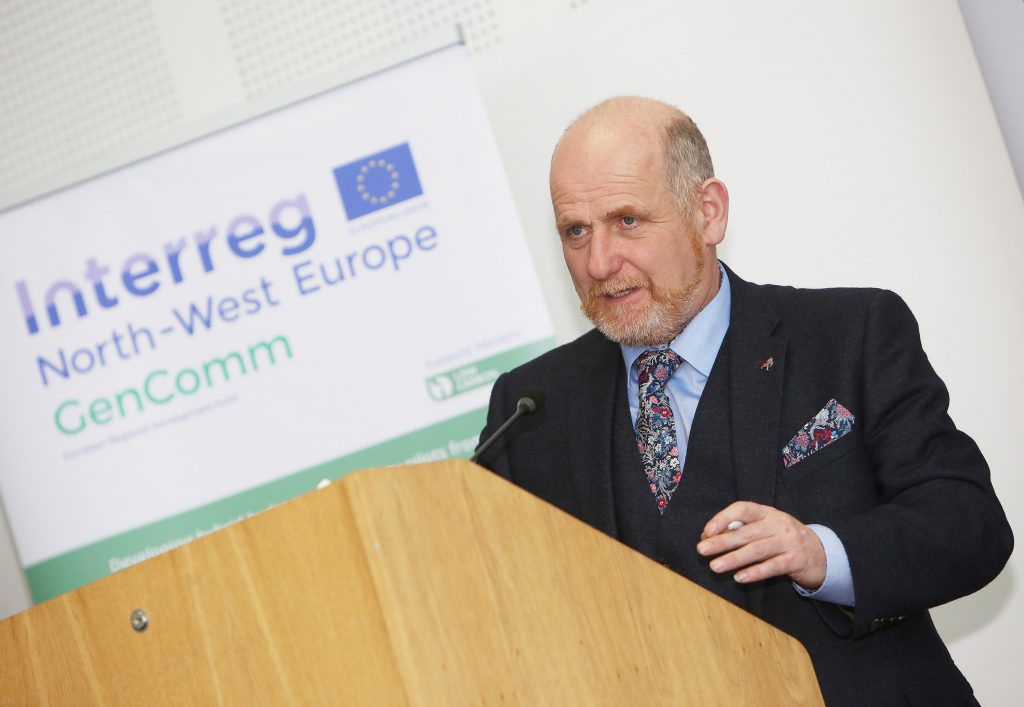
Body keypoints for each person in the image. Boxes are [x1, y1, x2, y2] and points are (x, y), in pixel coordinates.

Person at [476, 97, 1012, 706]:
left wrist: (822, 553)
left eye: (627, 220)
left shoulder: (850, 334)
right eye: (576, 231)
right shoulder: (529, 407)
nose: (599, 262)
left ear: (708, 212)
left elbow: (969, 525)